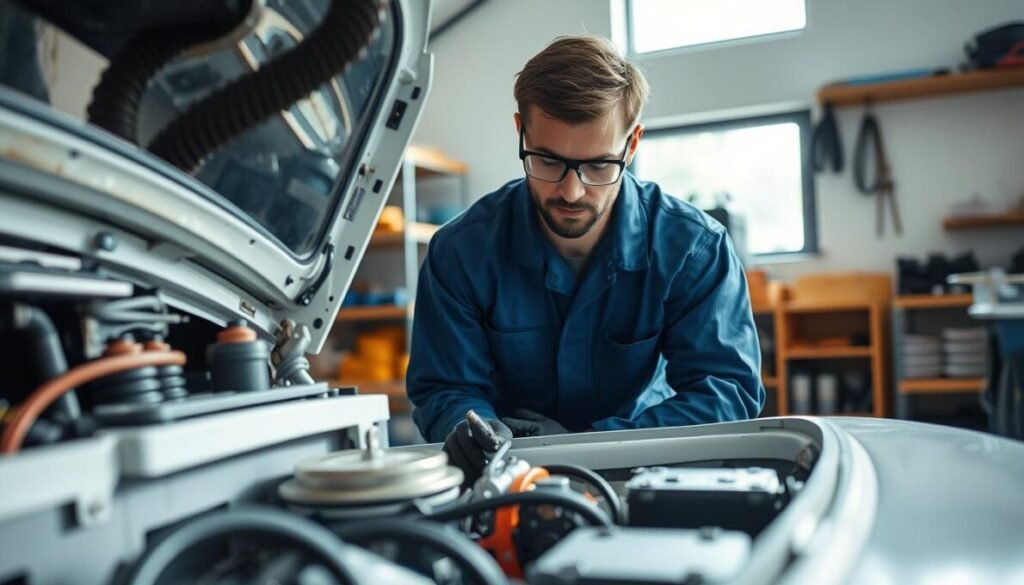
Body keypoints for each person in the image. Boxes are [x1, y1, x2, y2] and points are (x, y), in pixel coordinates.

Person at [407, 35, 763, 482]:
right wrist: (471, 428)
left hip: (642, 466)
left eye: (598, 166)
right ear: (522, 132)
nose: (571, 192)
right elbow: (446, 387)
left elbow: (725, 390)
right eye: (548, 161)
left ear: (631, 145)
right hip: (503, 476)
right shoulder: (460, 252)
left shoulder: (694, 249)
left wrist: (591, 443)